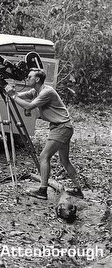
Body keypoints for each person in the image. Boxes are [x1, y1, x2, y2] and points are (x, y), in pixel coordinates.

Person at [5, 69, 83, 200]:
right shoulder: (36, 91)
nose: (27, 78)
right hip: (62, 127)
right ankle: (78, 189)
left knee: (44, 157)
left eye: (29, 77)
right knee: (64, 160)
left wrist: (13, 96)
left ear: (37, 79)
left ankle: (42, 191)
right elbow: (19, 95)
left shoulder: (47, 91)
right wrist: (7, 88)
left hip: (61, 128)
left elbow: (28, 106)